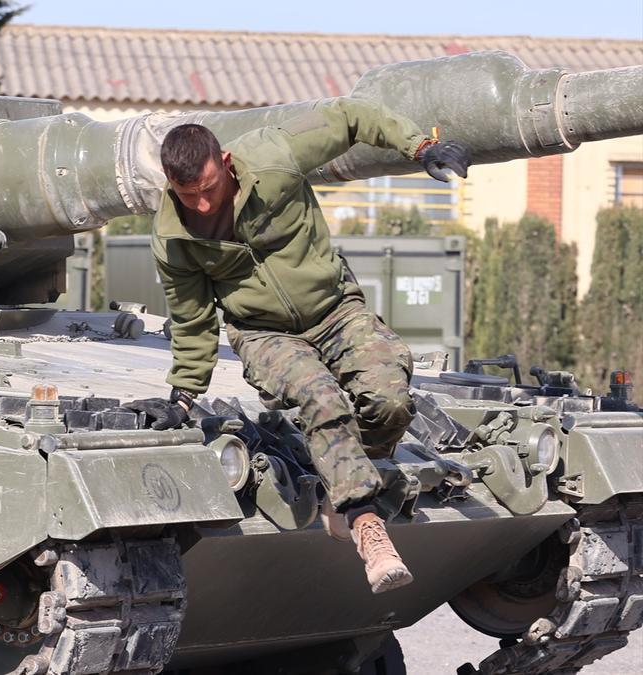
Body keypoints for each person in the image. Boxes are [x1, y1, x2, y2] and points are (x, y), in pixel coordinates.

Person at [145, 101, 470, 594]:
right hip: (263, 333)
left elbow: (352, 116)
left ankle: (341, 490)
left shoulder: (274, 154)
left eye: (209, 189)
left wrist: (420, 146)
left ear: (227, 163)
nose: (204, 206)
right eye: (188, 195)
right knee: (320, 397)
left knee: (390, 398)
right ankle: (365, 522)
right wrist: (185, 394)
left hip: (335, 308)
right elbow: (192, 320)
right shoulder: (174, 238)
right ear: (172, 186)